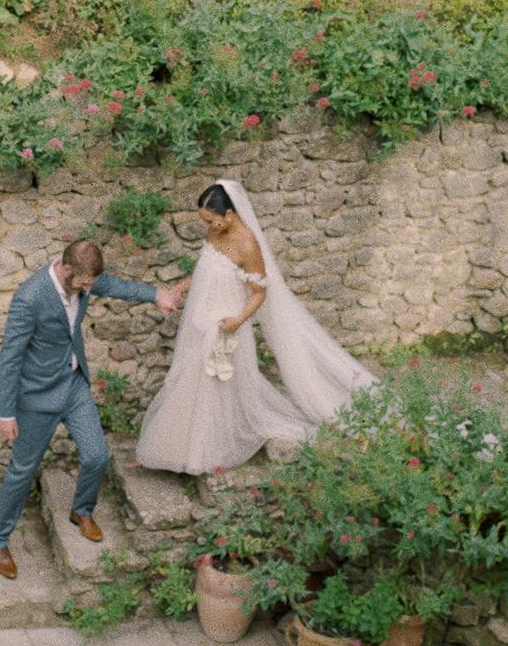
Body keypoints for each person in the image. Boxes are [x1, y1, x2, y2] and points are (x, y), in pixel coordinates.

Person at [134, 179, 375, 475]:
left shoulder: (248, 245)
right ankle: (173, 450)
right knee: (188, 380)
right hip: (201, 321)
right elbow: (205, 271)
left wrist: (237, 321)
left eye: (212, 220)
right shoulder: (215, 235)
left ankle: (204, 454)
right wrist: (180, 289)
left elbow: (260, 292)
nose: (208, 226)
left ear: (230, 215)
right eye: (204, 221)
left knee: (214, 386)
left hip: (228, 327)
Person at [0, 239, 180, 580]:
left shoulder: (84, 275)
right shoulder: (29, 297)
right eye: (84, 284)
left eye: (91, 283)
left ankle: (81, 510)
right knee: (22, 470)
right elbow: (9, 358)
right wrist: (6, 413)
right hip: (36, 397)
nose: (90, 289)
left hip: (74, 384)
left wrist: (157, 294)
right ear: (64, 268)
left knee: (97, 456)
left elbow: (116, 286)